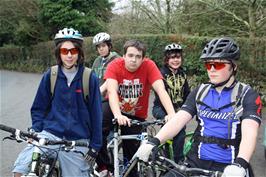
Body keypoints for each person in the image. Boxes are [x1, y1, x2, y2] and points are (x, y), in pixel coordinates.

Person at [135, 37, 262, 177]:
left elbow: (250, 132)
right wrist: (154, 141)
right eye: (208, 65)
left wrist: (241, 163)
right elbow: (179, 119)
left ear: (234, 66)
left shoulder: (247, 94)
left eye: (218, 65)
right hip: (195, 162)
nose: (212, 70)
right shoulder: (201, 91)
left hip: (230, 166)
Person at [12, 28, 103, 177]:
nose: (69, 55)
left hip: (77, 140)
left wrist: (95, 146)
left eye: (73, 51)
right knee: (20, 171)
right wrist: (35, 130)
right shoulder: (51, 75)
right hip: (50, 135)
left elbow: (96, 114)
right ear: (58, 53)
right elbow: (38, 108)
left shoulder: (89, 78)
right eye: (64, 51)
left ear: (79, 53)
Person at [97, 39, 176, 177]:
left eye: (138, 56)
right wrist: (118, 115)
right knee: (98, 129)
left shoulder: (149, 66)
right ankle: (105, 167)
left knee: (132, 155)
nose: (134, 60)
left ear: (143, 58)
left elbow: (160, 89)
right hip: (113, 108)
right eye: (130, 55)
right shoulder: (114, 65)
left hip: (135, 113)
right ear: (124, 56)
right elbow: (112, 92)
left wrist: (171, 114)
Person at [152, 43, 190, 163]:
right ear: (167, 59)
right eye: (172, 57)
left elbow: (187, 94)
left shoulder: (182, 74)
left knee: (177, 127)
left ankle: (169, 155)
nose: (175, 60)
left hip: (178, 110)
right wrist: (169, 113)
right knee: (178, 129)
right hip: (160, 108)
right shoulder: (161, 74)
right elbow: (160, 94)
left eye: (178, 57)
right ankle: (178, 161)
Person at [92, 32, 120, 97]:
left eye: (103, 46)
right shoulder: (97, 61)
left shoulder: (117, 60)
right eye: (98, 47)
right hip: (98, 96)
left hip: (111, 96)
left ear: (109, 46)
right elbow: (92, 78)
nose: (101, 49)